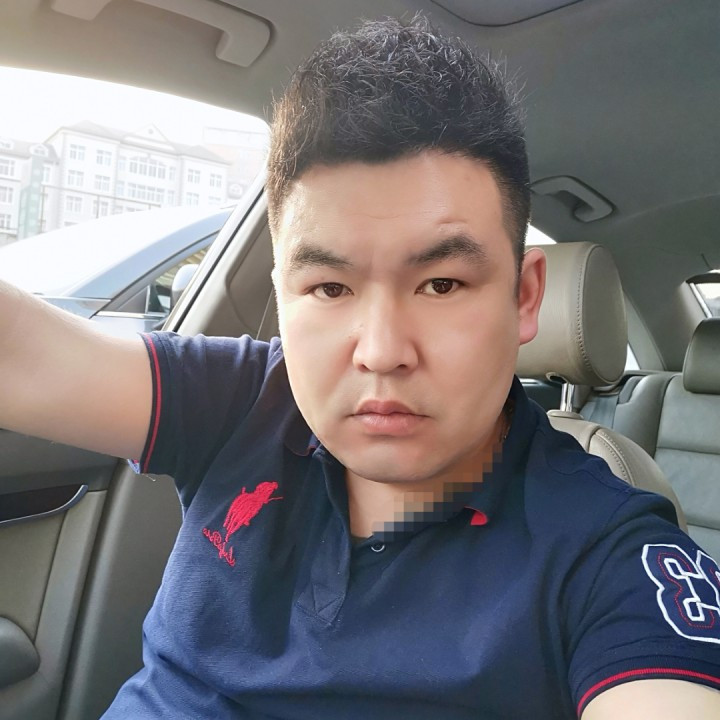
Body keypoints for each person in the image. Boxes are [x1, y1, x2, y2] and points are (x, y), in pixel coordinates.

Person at [1, 15, 720, 720]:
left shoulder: (607, 552)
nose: (380, 351)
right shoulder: (241, 399)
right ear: (283, 294)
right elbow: (25, 359)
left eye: (441, 284)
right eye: (329, 288)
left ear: (524, 297)